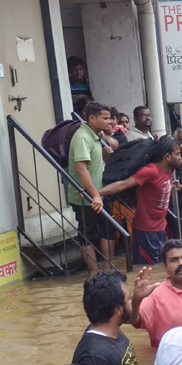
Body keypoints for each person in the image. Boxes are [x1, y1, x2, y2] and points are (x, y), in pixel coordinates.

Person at [72, 271, 160, 365]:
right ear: (118, 309)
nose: (131, 301)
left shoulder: (112, 331)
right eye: (129, 298)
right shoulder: (93, 355)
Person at [99, 135, 177, 264]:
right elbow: (122, 184)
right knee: (147, 269)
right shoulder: (150, 171)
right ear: (167, 156)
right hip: (146, 230)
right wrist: (96, 193)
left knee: (161, 267)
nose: (180, 157)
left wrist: (170, 141)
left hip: (160, 228)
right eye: (177, 154)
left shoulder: (167, 169)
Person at [68, 101, 113, 273]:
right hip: (85, 196)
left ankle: (108, 268)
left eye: (110, 118)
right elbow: (80, 168)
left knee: (108, 228)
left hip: (98, 193)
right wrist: (94, 195)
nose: (109, 122)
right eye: (105, 118)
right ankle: (94, 272)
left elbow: (93, 165)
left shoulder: (95, 135)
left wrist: (104, 158)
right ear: (92, 118)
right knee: (88, 233)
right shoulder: (82, 137)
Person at [131, 239, 182, 348]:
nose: (181, 263)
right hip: (173, 361)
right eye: (174, 260)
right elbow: (131, 319)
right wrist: (136, 299)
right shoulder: (155, 295)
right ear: (165, 267)